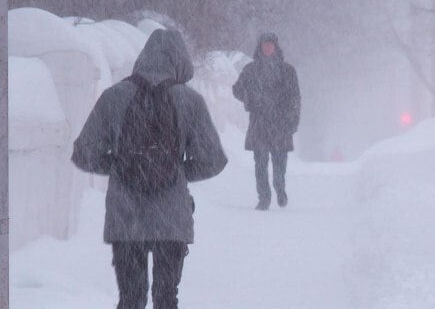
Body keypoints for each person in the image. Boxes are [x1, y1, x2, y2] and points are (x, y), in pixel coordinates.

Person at [72, 29, 227, 309]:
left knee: (131, 299)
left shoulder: (114, 96)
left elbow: (83, 153)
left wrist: (119, 166)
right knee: (166, 299)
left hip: (125, 217)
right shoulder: (190, 101)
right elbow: (214, 159)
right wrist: (178, 171)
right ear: (179, 62)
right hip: (171, 219)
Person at [232, 32, 300, 210]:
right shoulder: (250, 70)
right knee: (260, 164)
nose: (268, 47)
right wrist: (249, 98)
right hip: (259, 124)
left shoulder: (288, 71)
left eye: (271, 44)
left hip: (281, 124)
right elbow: (237, 89)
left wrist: (293, 121)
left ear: (276, 47)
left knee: (279, 164)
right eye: (265, 44)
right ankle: (264, 197)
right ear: (260, 47)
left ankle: (280, 188)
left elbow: (295, 98)